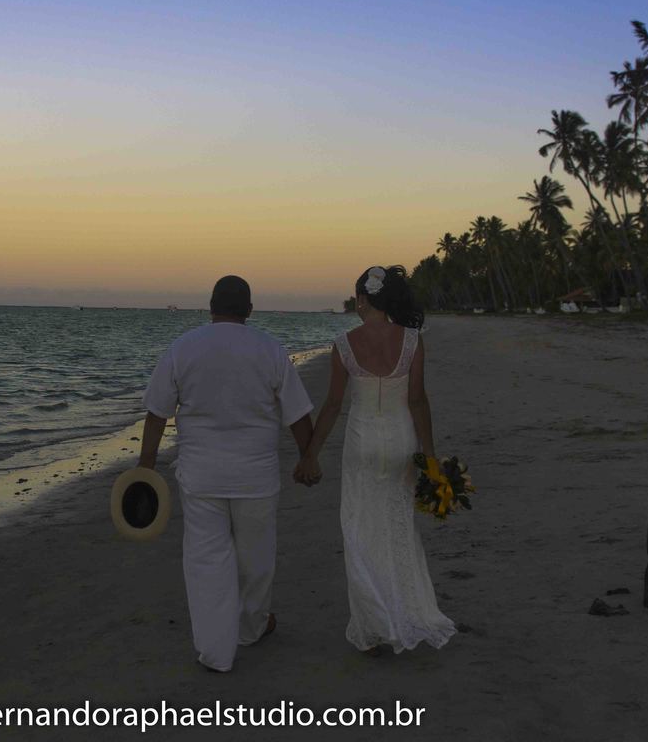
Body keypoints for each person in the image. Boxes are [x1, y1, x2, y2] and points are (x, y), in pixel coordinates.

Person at [138, 275, 315, 673]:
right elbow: (298, 414)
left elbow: (157, 412)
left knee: (205, 560)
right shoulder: (269, 349)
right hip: (256, 477)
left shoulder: (184, 347)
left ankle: (215, 650)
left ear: (210, 307)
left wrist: (145, 467)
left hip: (200, 476)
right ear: (249, 310)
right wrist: (308, 458)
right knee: (256, 559)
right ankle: (251, 628)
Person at [295, 265, 456, 655]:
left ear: (363, 300)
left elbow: (333, 405)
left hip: (361, 443)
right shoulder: (412, 342)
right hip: (400, 441)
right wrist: (430, 456)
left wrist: (310, 454)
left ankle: (377, 622)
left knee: (359, 531)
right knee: (398, 528)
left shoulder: (344, 344)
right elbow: (417, 401)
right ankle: (409, 612)